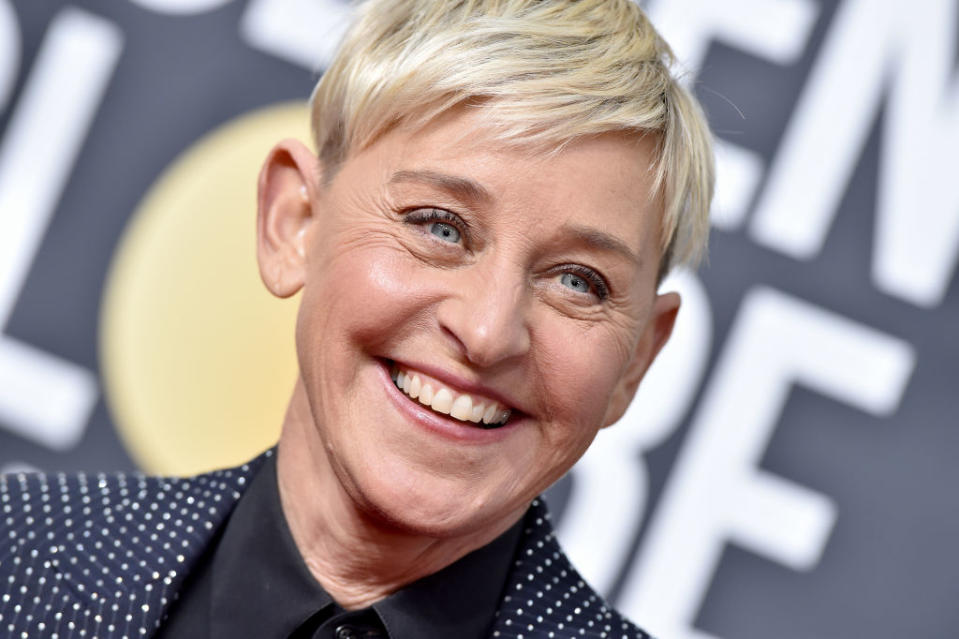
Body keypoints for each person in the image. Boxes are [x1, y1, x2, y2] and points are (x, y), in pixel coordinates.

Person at [0, 0, 713, 637]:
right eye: (439, 227)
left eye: (577, 281)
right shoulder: (18, 549)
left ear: (636, 361)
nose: (489, 331)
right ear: (295, 223)